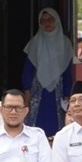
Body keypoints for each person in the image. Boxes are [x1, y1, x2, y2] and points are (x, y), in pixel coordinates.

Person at [22, 7, 73, 137]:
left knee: (58, 125)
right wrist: (27, 91)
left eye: (50, 19)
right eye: (43, 21)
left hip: (58, 90)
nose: (47, 23)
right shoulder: (35, 42)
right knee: (36, 124)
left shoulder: (65, 43)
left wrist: (68, 95)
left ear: (56, 21)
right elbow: (28, 68)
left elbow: (68, 70)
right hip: (38, 90)